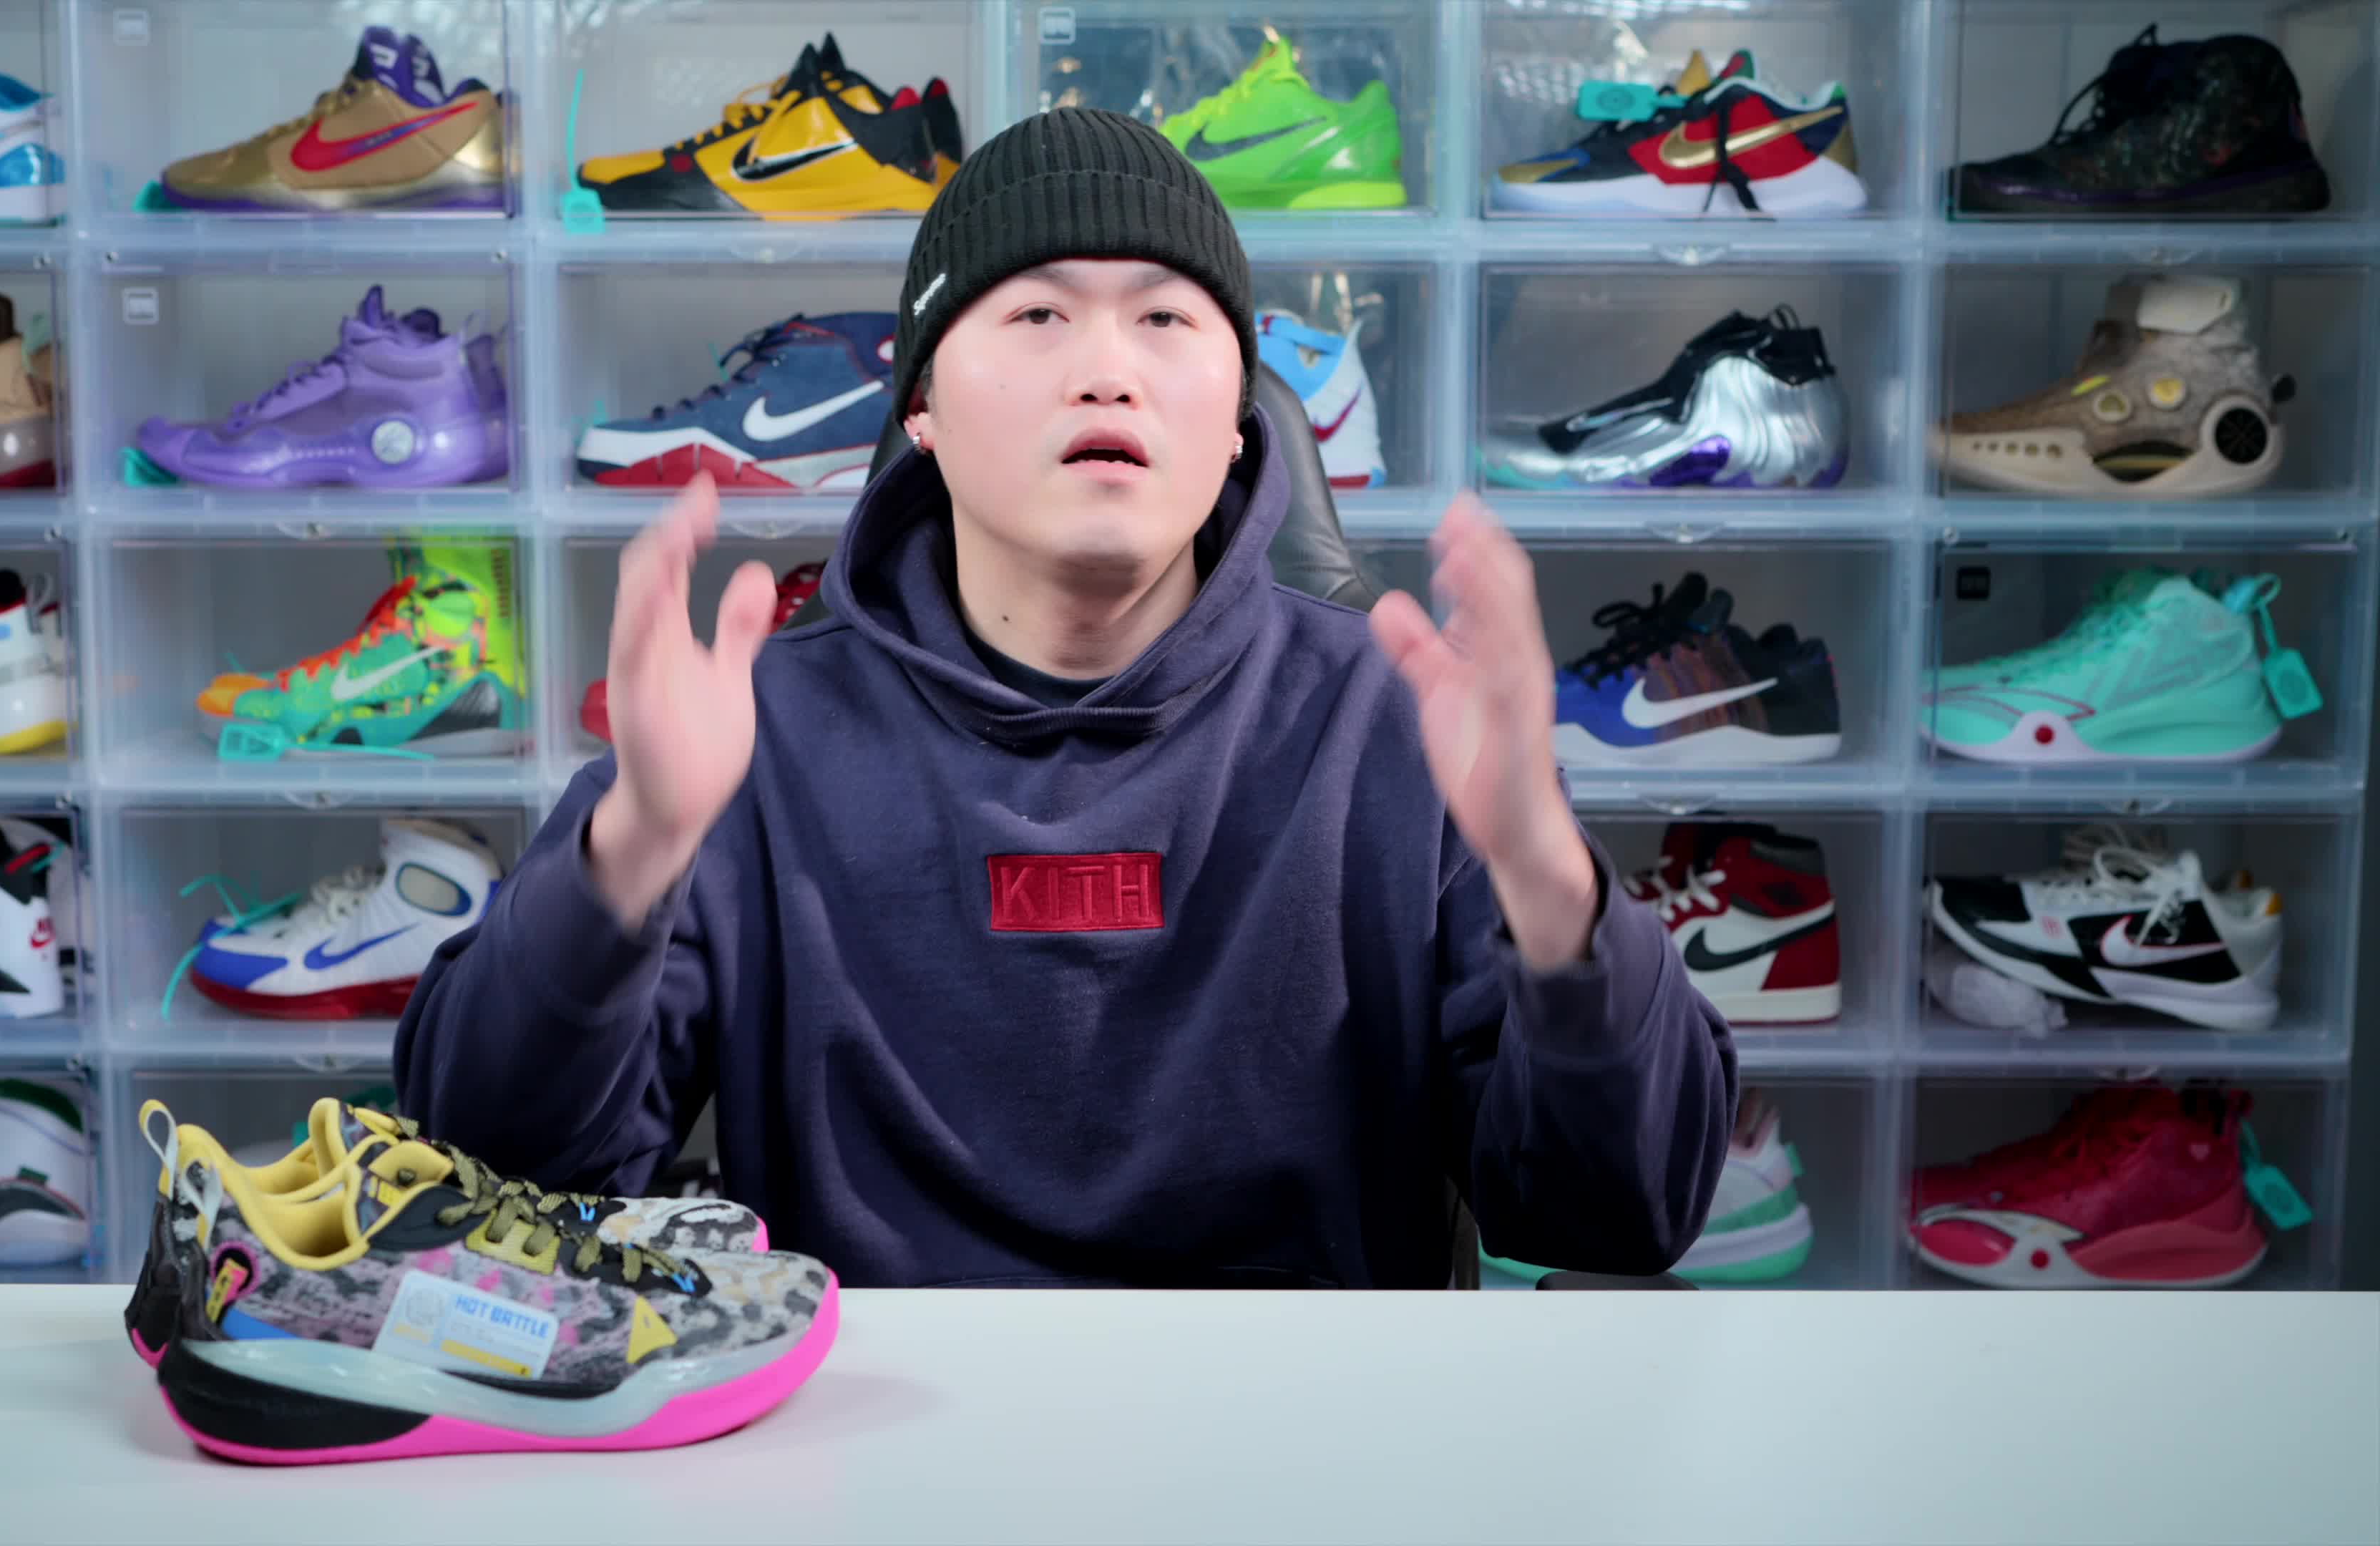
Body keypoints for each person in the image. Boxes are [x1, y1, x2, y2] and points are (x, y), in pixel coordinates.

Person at [396, 107, 1733, 1288]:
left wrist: (1552, 884)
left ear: (1240, 415)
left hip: (1311, 1435)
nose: (1108, 368)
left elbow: (1626, 1214)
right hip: (868, 1439)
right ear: (921, 408)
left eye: (1166, 319)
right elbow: (500, 1177)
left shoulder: (1390, 726)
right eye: (1036, 316)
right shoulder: (751, 736)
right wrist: (628, 855)